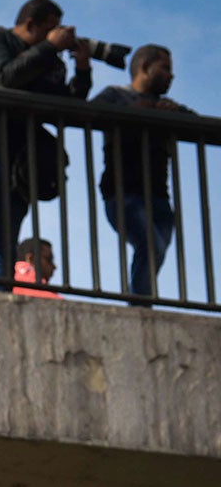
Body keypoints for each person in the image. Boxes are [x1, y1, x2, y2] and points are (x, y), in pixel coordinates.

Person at [0, 0, 93, 285]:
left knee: (4, 235)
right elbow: (4, 78)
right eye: (52, 29)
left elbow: (69, 106)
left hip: (14, 161)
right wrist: (50, 47)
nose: (57, 36)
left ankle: (0, 297)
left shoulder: (46, 61)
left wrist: (82, 69)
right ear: (31, 24)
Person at [94, 45, 187, 300]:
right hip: (123, 193)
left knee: (154, 250)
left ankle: (140, 300)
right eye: (165, 68)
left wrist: (171, 114)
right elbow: (90, 113)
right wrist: (137, 112)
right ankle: (140, 305)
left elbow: (198, 125)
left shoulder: (167, 105)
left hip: (159, 197)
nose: (171, 76)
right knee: (150, 245)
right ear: (145, 67)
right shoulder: (115, 95)